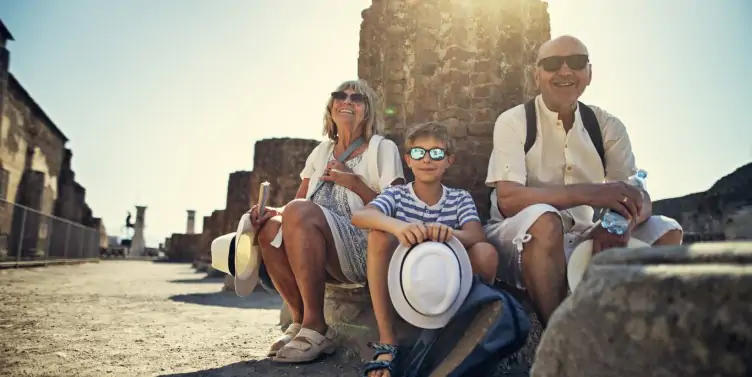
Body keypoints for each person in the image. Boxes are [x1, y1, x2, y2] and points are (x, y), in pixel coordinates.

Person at [483, 35, 683, 327]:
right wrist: (590, 194)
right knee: (545, 219)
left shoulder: (607, 127)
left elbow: (638, 197)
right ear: (536, 75)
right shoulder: (514, 121)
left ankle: (631, 335)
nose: (564, 72)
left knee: (667, 231)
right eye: (552, 64)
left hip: (583, 235)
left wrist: (618, 222)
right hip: (516, 237)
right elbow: (508, 199)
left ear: (589, 73)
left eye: (576, 63)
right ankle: (559, 339)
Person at [248, 79, 405, 363]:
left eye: (356, 98)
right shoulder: (320, 152)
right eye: (340, 95)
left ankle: (317, 326)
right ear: (330, 107)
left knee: (298, 212)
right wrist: (271, 212)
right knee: (269, 228)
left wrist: (354, 183)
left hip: (361, 247)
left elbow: (396, 207)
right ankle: (300, 323)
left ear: (367, 111)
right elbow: (296, 204)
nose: (347, 101)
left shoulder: (382, 148)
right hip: (314, 242)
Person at [352, 122, 499, 377]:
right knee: (378, 236)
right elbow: (361, 216)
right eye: (419, 153)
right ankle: (388, 340)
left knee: (486, 252)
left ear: (449, 160)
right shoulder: (397, 195)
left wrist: (450, 233)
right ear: (408, 160)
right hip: (404, 284)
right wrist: (397, 226)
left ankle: (464, 333)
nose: (427, 160)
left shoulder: (459, 198)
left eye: (437, 153)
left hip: (446, 285)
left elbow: (477, 234)